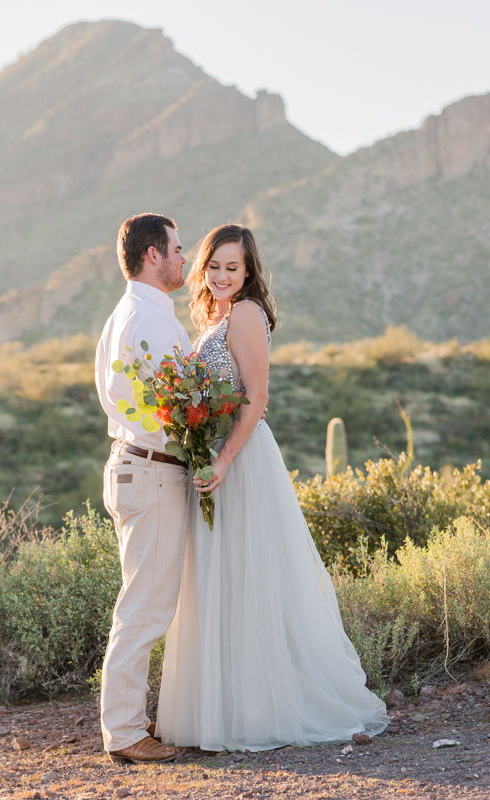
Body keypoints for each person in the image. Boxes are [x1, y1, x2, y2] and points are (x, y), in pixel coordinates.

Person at [156, 223, 390, 752]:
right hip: (212, 457)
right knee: (220, 581)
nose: (220, 276)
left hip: (239, 459)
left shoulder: (246, 314)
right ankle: (223, 707)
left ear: (248, 271)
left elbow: (256, 398)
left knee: (249, 578)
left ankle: (261, 709)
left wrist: (223, 459)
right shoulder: (212, 316)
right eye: (213, 266)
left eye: (231, 268)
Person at [94, 213, 191, 765]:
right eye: (176, 249)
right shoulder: (148, 319)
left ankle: (128, 719)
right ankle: (126, 732)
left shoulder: (128, 313)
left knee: (144, 601)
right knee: (145, 608)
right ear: (153, 254)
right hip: (152, 470)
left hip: (136, 466)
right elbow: (172, 406)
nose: (183, 259)